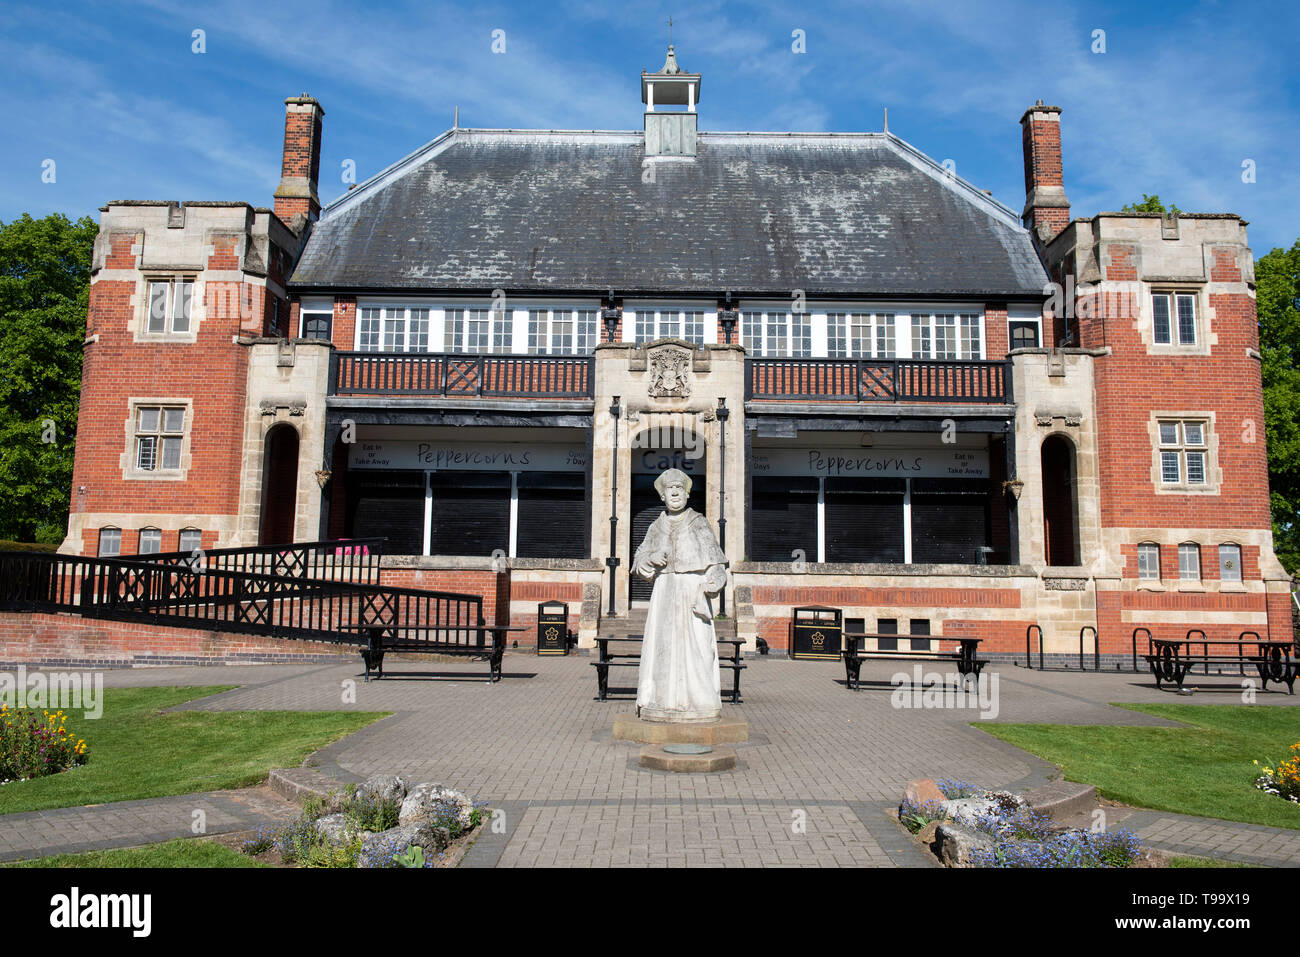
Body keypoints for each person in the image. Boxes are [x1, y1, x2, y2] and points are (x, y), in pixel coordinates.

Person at [632, 468, 728, 722]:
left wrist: (715, 581)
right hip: (664, 592)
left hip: (691, 592)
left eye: (678, 489)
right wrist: (650, 558)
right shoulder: (655, 526)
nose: (674, 493)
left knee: (697, 648)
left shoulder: (698, 522)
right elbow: (638, 560)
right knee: (661, 647)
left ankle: (700, 702)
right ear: (663, 496)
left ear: (686, 494)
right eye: (669, 490)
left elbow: (717, 563)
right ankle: (660, 701)